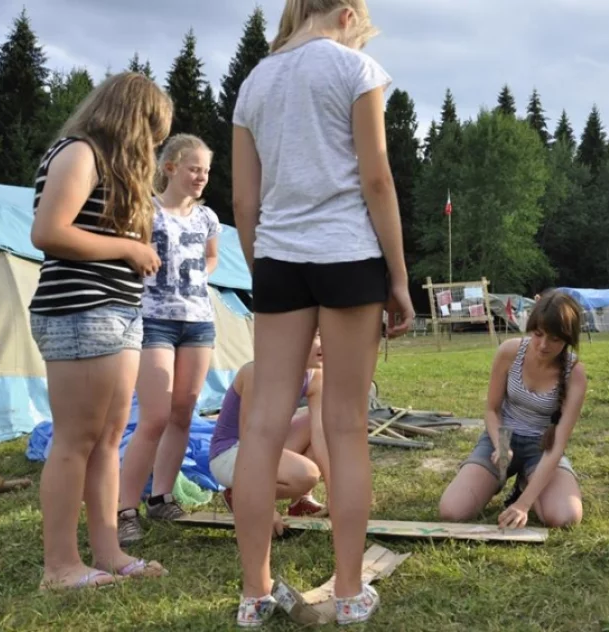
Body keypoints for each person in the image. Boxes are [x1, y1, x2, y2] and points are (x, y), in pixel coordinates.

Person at [229, 0, 415, 626]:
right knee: (346, 426)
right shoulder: (355, 69)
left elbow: (244, 201)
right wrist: (398, 277)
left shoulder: (255, 82)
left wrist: (263, 268)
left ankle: (254, 595)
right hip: (348, 255)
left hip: (278, 260)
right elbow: (377, 180)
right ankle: (348, 593)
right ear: (345, 15)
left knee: (261, 427)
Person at [27, 72, 171, 590]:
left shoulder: (110, 166)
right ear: (133, 120)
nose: (153, 145)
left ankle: (108, 552)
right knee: (75, 440)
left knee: (109, 439)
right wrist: (129, 248)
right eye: (152, 132)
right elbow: (48, 232)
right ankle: (60, 566)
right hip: (80, 311)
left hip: (119, 312)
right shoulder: (80, 153)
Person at [117, 134, 222, 545]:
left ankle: (161, 498)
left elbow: (211, 256)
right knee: (155, 416)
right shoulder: (146, 210)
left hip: (198, 322)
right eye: (194, 169)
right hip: (154, 320)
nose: (201, 177)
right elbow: (125, 253)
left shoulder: (207, 217)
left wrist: (200, 275)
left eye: (206, 171)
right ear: (170, 168)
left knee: (182, 414)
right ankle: (123, 509)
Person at [438, 291, 586, 529]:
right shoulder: (510, 352)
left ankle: (527, 482)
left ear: (568, 339)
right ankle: (493, 478)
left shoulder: (575, 374)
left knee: (566, 517)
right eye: (538, 334)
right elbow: (492, 409)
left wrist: (523, 504)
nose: (543, 345)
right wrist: (501, 445)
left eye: (555, 339)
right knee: (452, 511)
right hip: (503, 437)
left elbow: (558, 444)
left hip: (542, 446)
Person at [209, 332, 330, 532]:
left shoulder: (315, 375)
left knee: (324, 423)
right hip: (232, 453)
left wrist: (336, 497)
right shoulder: (256, 372)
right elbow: (249, 441)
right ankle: (243, 496)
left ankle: (301, 502)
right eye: (317, 335)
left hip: (268, 446)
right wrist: (263, 504)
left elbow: (322, 437)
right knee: (306, 474)